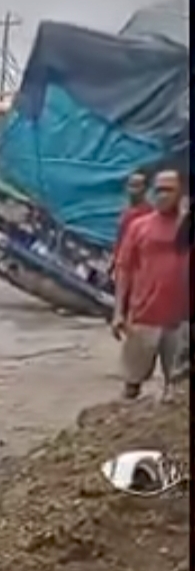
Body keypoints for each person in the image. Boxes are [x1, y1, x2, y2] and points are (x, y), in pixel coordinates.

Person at [111, 169, 190, 401]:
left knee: (177, 389)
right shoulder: (138, 225)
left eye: (169, 190)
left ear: (181, 193)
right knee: (131, 383)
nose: (162, 195)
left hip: (180, 322)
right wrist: (118, 312)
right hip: (143, 316)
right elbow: (124, 269)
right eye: (158, 190)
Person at [109, 170, 153, 279]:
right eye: (130, 185)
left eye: (137, 186)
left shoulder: (148, 215)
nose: (133, 190)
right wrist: (114, 260)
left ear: (145, 189)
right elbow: (120, 238)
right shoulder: (126, 212)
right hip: (121, 267)